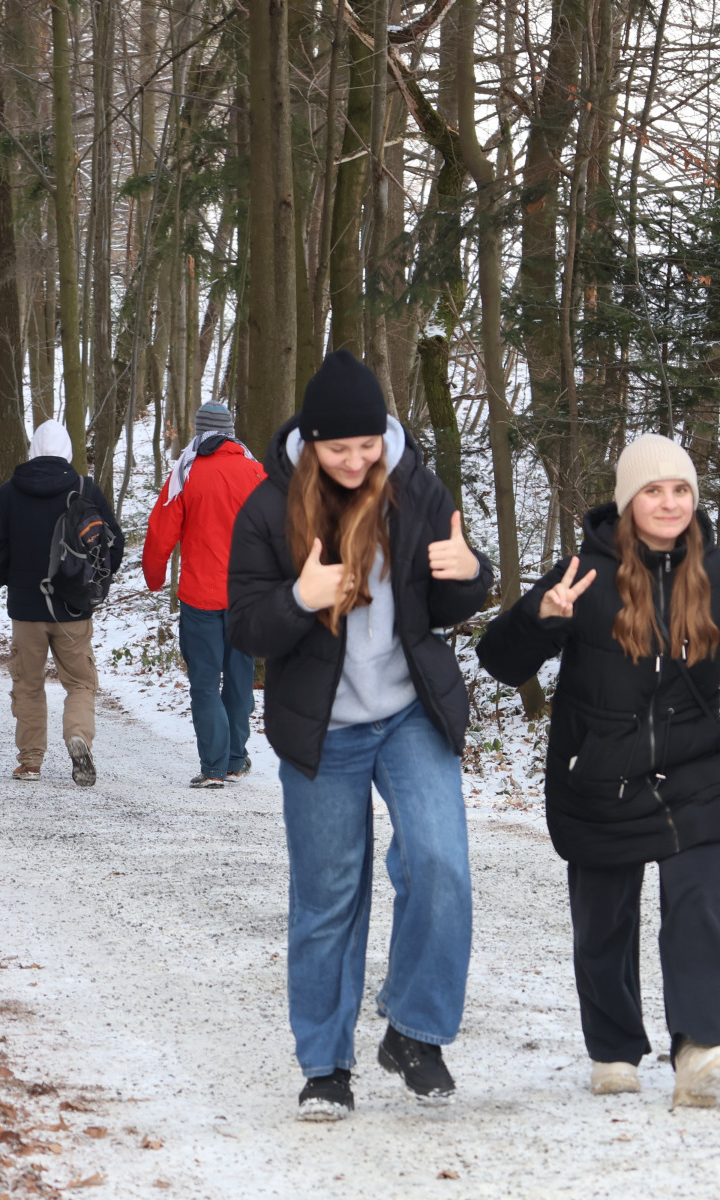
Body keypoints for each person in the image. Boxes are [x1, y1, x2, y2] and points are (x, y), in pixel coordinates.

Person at [476, 433, 720, 1108]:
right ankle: (613, 1049)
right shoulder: (583, 574)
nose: (669, 503)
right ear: (628, 501)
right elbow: (501, 661)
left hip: (693, 771)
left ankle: (702, 1047)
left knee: (697, 907)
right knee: (604, 921)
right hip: (598, 772)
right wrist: (540, 618)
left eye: (681, 489)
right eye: (653, 490)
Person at [227, 351, 493, 1122]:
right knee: (328, 897)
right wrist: (301, 598)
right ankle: (325, 1066)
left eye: (366, 445)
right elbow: (244, 626)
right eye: (337, 448)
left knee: (441, 863)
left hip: (410, 714)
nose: (354, 461)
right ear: (311, 442)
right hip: (323, 729)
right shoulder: (267, 507)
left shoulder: (416, 487)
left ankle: (414, 1031)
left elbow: (448, 599)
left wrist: (471, 574)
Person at [0, 420, 125, 787]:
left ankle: (30, 762)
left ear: (33, 450)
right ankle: (78, 736)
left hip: (26, 608)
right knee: (80, 683)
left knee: (27, 684)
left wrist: (11, 578)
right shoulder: (85, 488)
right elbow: (114, 543)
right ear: (68, 451)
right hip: (73, 607)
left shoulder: (9, 492)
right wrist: (94, 585)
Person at [143, 401, 268, 788]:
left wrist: (154, 576)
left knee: (204, 683)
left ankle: (214, 767)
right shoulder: (257, 472)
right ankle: (234, 760)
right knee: (239, 679)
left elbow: (161, 530)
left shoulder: (186, 472)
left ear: (199, 432)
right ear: (230, 432)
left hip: (201, 596)